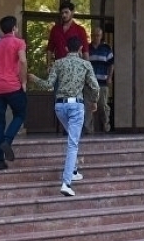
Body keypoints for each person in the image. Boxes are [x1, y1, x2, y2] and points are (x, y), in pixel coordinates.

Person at [29, 36, 100, 197]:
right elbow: (95, 87)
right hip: (76, 106)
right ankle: (66, 183)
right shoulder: (85, 64)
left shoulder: (58, 63)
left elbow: (48, 85)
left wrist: (35, 79)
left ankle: (74, 170)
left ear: (67, 48)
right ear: (81, 48)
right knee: (73, 144)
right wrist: (94, 101)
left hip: (60, 106)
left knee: (72, 137)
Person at [0, 16, 28, 170]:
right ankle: (7, 141)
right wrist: (23, 82)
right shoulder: (19, 42)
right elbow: (22, 61)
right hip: (13, 86)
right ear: (14, 28)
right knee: (20, 114)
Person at [85, 27, 114, 133]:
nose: (95, 37)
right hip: (89, 83)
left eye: (98, 35)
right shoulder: (87, 48)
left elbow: (111, 64)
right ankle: (89, 129)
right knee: (88, 107)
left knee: (102, 106)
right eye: (93, 35)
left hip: (102, 82)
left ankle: (106, 125)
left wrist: (110, 77)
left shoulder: (106, 48)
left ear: (101, 36)